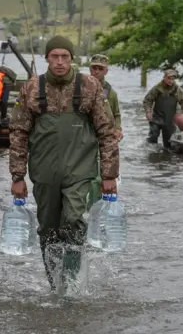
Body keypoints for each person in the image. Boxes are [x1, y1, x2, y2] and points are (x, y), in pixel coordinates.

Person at [9, 35, 119, 291]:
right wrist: (17, 176)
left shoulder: (90, 86)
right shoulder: (32, 88)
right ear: (47, 58)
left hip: (80, 172)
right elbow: (18, 133)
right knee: (47, 227)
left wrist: (109, 175)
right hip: (44, 173)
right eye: (54, 56)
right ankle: (54, 283)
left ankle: (70, 283)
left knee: (73, 220)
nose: (60, 62)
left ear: (72, 59)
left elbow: (107, 132)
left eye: (65, 57)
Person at [142, 69, 183, 148]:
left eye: (173, 79)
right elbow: (147, 100)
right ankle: (151, 155)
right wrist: (148, 111)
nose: (171, 81)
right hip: (156, 118)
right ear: (164, 78)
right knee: (153, 137)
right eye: (169, 78)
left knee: (168, 144)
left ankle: (166, 158)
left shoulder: (177, 90)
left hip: (170, 120)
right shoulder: (157, 88)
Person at [89, 54, 123, 141]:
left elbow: (116, 114)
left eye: (100, 69)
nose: (97, 71)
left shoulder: (111, 93)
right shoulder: (80, 87)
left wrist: (118, 129)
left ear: (106, 71)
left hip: (104, 135)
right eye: (94, 68)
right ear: (90, 69)